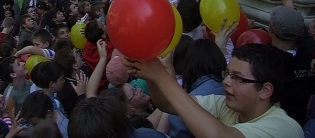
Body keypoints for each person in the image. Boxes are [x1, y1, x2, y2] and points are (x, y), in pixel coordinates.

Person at [124, 43, 303, 138]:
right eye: (227, 73)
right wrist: (150, 76)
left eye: (237, 78)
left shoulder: (283, 127)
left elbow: (219, 135)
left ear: (265, 90)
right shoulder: (226, 105)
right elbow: (167, 104)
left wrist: (161, 76)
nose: (225, 81)